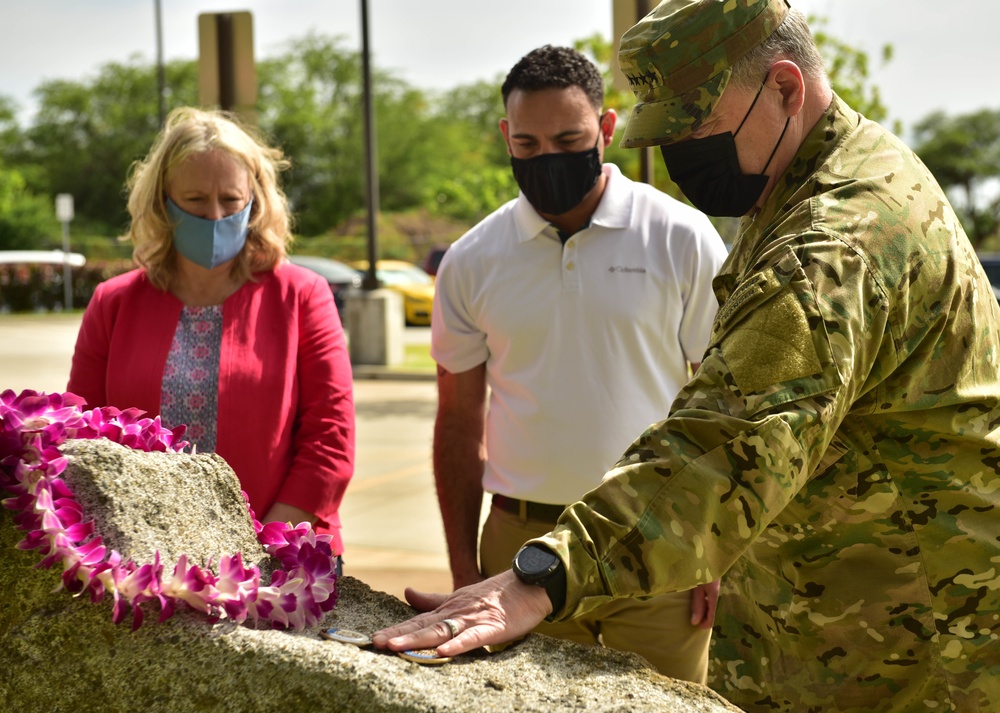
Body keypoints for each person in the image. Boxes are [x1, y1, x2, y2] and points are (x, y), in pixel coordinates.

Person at [373, 2, 1000, 711]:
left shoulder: (831, 242)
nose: (679, 152)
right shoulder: (819, 178)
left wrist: (543, 575)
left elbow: (727, 443)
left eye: (695, 126)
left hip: (908, 646)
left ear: (785, 88)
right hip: (856, 616)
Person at [430, 45, 728, 681]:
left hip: (656, 539)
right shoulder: (472, 260)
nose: (548, 157)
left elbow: (721, 403)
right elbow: (457, 420)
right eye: (528, 144)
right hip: (518, 550)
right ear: (506, 137)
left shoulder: (681, 237)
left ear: (607, 128)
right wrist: (463, 567)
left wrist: (716, 547)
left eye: (568, 140)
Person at [67, 107, 355, 561]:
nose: (215, 215)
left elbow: (330, 439)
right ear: (162, 201)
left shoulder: (302, 295)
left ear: (255, 200)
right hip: (143, 561)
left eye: (231, 199)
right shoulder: (113, 302)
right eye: (196, 200)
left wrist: (258, 554)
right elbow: (83, 435)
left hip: (281, 558)